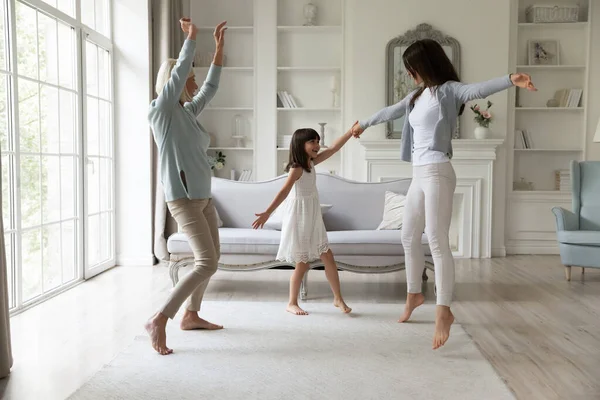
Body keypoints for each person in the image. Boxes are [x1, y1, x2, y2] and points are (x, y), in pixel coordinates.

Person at [352, 39, 537, 349]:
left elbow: (478, 90)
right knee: (409, 237)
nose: (410, 73)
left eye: (412, 68)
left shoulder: (449, 90)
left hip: (438, 171)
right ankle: (414, 293)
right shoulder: (416, 96)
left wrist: (512, 79)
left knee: (437, 241)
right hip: (418, 175)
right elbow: (389, 112)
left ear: (425, 65)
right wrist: (364, 124)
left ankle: (444, 311)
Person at [145, 18, 227, 355]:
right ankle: (160, 318)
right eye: (188, 79)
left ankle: (191, 315)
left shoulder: (188, 112)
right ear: (174, 84)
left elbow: (210, 88)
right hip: (183, 200)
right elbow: (179, 75)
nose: (192, 84)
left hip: (203, 197)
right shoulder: (161, 112)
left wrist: (219, 51)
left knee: (213, 258)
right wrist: (191, 39)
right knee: (205, 263)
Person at [252, 126, 358, 315]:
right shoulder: (297, 168)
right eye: (312, 142)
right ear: (300, 145)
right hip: (299, 217)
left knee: (328, 255)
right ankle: (291, 302)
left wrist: (350, 132)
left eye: (317, 141)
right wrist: (268, 213)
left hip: (313, 216)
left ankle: (338, 298)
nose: (317, 145)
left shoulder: (312, 163)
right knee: (303, 263)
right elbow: (283, 191)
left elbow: (334, 148)